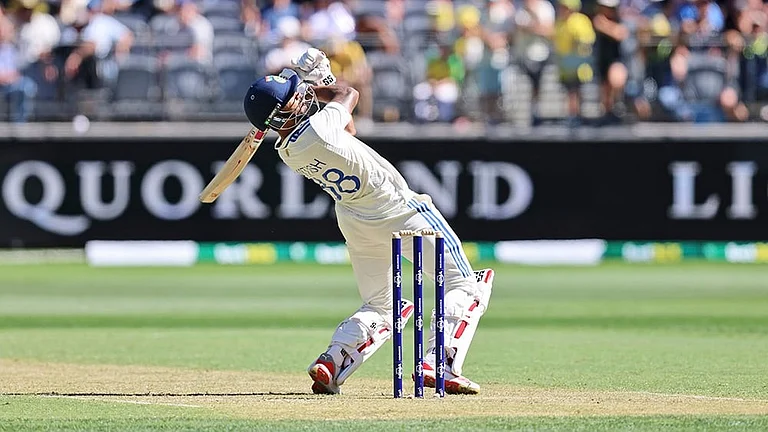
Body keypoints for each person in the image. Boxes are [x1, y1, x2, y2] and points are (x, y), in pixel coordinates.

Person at [242, 48, 495, 395]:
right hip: (399, 209)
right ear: (284, 113)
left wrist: (316, 82)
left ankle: (333, 360)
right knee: (466, 283)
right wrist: (319, 82)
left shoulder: (288, 149)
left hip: (355, 219)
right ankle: (440, 363)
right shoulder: (317, 128)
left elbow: (349, 127)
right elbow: (350, 95)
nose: (299, 97)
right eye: (293, 98)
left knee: (381, 304)